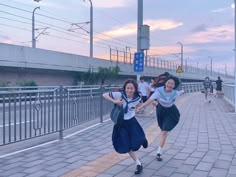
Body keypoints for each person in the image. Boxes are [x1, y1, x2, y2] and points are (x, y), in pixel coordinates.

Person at [103, 79, 148, 175]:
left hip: (131, 122)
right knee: (126, 145)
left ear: (135, 89)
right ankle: (138, 163)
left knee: (138, 138)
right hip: (121, 124)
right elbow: (104, 95)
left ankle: (143, 139)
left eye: (131, 88)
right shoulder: (119, 95)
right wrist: (114, 101)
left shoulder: (137, 97)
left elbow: (139, 105)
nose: (129, 90)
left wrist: (139, 108)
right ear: (125, 88)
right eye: (127, 88)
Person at [137, 75, 184, 161]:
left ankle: (159, 151)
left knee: (164, 132)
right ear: (165, 83)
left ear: (174, 86)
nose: (170, 85)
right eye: (168, 83)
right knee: (162, 129)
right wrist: (141, 107)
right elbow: (150, 100)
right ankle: (160, 149)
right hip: (161, 111)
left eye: (172, 84)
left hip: (171, 112)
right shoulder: (159, 91)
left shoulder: (175, 92)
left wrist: (182, 91)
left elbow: (180, 92)